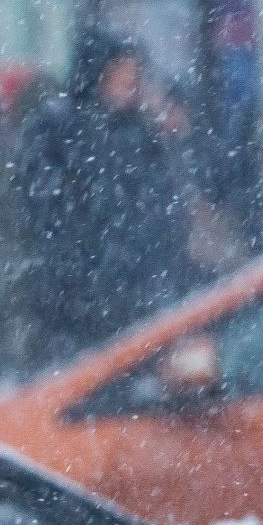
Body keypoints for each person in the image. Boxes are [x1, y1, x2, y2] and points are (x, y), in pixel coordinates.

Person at [15, 29, 191, 366]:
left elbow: (161, 205)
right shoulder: (60, 129)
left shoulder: (138, 131)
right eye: (121, 71)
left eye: (134, 71)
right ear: (99, 73)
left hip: (138, 299)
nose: (131, 81)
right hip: (81, 306)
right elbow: (49, 215)